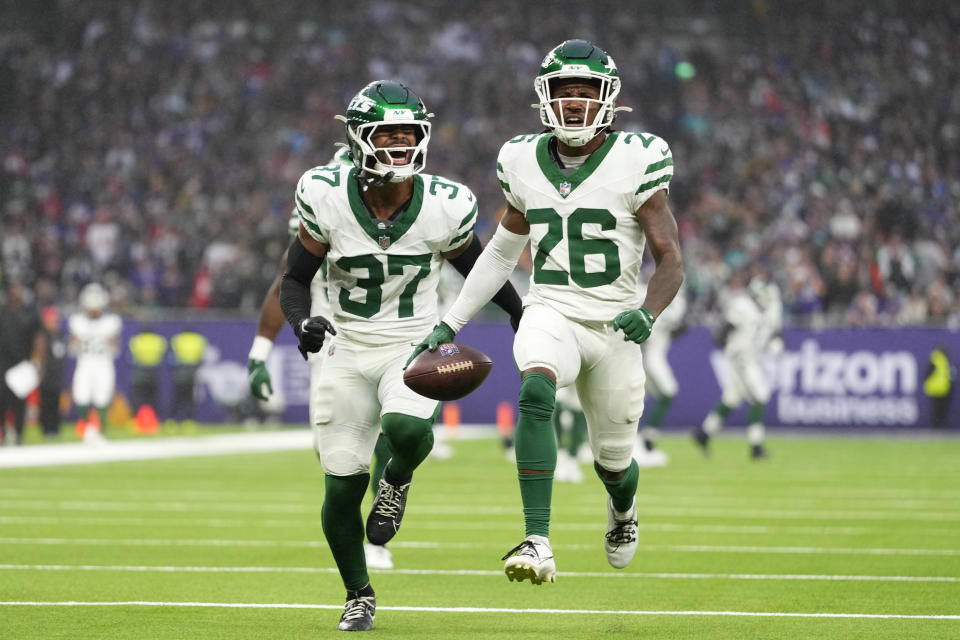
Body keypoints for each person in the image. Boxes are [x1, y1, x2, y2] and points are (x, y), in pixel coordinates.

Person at [409, 39, 684, 585]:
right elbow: (500, 253)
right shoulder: (521, 158)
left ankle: (623, 512)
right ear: (544, 98)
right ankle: (537, 539)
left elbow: (671, 258)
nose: (575, 102)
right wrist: (451, 322)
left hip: (614, 325)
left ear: (608, 99)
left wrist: (649, 312)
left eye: (586, 92)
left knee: (613, 465)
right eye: (564, 91)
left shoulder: (640, 157)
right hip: (551, 308)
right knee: (535, 389)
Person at [278, 80, 523, 631]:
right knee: (341, 486)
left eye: (408, 134)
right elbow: (293, 278)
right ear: (359, 138)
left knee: (406, 432)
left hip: (412, 343)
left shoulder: (445, 203)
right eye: (386, 134)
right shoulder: (324, 193)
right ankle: (358, 592)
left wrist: (518, 309)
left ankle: (398, 478)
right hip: (345, 346)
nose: (398, 144)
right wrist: (303, 324)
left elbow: (475, 263)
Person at [247, 148, 396, 571]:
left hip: (388, 339)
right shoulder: (320, 206)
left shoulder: (402, 210)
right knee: (332, 452)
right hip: (329, 345)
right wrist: (260, 350)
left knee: (392, 430)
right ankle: (359, 527)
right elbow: (286, 279)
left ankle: (380, 526)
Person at [692, 270, 781, 459]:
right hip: (740, 357)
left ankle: (704, 434)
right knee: (760, 395)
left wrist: (776, 343)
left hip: (752, 357)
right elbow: (724, 329)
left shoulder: (773, 308)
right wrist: (730, 348)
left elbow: (775, 331)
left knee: (732, 398)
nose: (768, 301)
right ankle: (756, 446)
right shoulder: (743, 306)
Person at [635, 281, 688, 467]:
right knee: (667, 391)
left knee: (642, 397)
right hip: (648, 353)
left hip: (654, 352)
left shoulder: (678, 302)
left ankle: (645, 440)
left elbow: (676, 329)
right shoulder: (645, 292)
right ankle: (642, 441)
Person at [69, 282, 121, 442]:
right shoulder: (77, 321)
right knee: (81, 396)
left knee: (102, 397)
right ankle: (86, 427)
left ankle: (101, 431)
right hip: (85, 362)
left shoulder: (111, 322)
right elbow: (72, 347)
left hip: (103, 362)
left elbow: (115, 348)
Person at [0, 283, 46, 446]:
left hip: (22, 362)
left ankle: (19, 435)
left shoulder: (30, 312)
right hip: (2, 361)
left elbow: (38, 337)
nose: (17, 292)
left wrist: (38, 361)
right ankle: (3, 434)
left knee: (19, 400)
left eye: (19, 289)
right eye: (14, 289)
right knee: (1, 399)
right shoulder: (2, 311)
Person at [128, 321, 168, 433]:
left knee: (138, 398)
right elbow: (161, 356)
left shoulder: (136, 340)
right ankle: (153, 421)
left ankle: (137, 421)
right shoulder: (158, 341)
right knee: (152, 398)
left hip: (139, 373)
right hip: (153, 373)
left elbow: (131, 358)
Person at [38, 306, 68, 438]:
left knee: (56, 402)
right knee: (45, 402)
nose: (52, 322)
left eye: (54, 320)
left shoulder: (60, 334)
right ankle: (46, 428)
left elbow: (62, 353)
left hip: (57, 373)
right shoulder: (42, 335)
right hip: (45, 374)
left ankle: (55, 428)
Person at [168, 328, 207, 427]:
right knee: (189, 399)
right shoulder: (199, 340)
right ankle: (189, 421)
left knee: (177, 398)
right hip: (192, 374)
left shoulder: (177, 339)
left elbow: (172, 359)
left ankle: (172, 421)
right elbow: (201, 360)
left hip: (179, 373)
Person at [923, 345, 954, 429]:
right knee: (938, 410)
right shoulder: (937, 360)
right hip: (939, 389)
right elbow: (928, 373)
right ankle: (937, 427)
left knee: (939, 410)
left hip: (940, 389)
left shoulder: (938, 359)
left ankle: (938, 426)